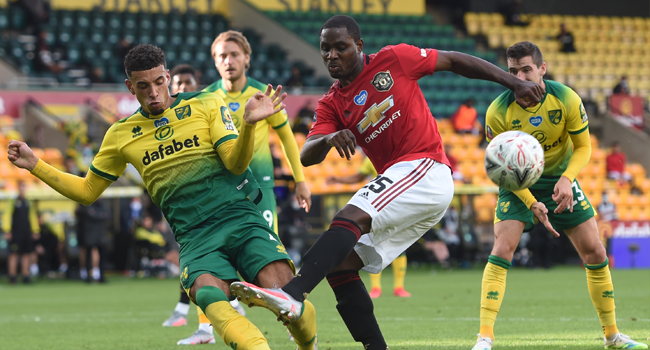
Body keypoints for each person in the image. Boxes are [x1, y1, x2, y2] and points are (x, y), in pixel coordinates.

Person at [230, 15, 545, 350]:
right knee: (339, 265)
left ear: (359, 46)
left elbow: (454, 60)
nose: (332, 55)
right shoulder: (332, 103)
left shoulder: (394, 60)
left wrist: (513, 83)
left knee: (349, 218)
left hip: (426, 167)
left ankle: (292, 294)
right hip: (408, 184)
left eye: (340, 47)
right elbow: (308, 154)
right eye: (326, 49)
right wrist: (329, 138)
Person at [6, 43, 318, 350]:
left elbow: (235, 164)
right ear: (130, 87)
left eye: (158, 82)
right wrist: (36, 165)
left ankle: (308, 345)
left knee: (287, 295)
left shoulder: (207, 104)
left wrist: (248, 126)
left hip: (240, 218)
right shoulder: (120, 134)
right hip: (195, 237)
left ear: (167, 76)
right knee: (208, 296)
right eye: (143, 86)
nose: (154, 92)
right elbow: (87, 192)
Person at [472, 41, 647, 350]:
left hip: (559, 180)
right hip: (517, 184)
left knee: (595, 252)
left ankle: (613, 336)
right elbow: (500, 167)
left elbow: (583, 147)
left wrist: (567, 179)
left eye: (527, 69)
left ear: (542, 68)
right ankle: (484, 338)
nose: (520, 77)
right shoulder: (497, 111)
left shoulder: (565, 98)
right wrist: (531, 202)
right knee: (502, 247)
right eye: (513, 71)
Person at [162, 61, 247, 343]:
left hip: (224, 196)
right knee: (196, 263)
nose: (183, 87)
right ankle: (207, 317)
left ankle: (230, 306)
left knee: (216, 259)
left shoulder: (207, 106)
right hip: (187, 205)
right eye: (178, 83)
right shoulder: (163, 119)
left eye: (187, 83)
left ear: (197, 84)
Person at [326, 157, 412, 298]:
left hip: (397, 204)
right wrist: (338, 180)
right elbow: (358, 177)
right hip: (379, 206)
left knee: (399, 244)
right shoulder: (371, 159)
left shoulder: (400, 157)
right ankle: (376, 288)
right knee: (375, 243)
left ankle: (399, 287)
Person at [4, 181, 40, 284]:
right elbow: (7, 216)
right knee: (14, 254)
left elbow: (32, 217)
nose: (22, 189)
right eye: (20, 187)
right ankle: (12, 276)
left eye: (24, 187)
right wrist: (7, 230)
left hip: (26, 231)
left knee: (26, 254)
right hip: (16, 232)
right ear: (18, 188)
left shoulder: (28, 202)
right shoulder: (13, 201)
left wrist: (35, 230)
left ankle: (25, 275)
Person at [76, 198, 110, 283]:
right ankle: (87, 276)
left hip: (100, 235)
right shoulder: (86, 203)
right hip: (89, 235)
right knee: (88, 255)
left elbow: (107, 214)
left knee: (102, 256)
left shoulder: (102, 205)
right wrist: (100, 215)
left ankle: (101, 276)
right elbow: (90, 214)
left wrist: (96, 214)